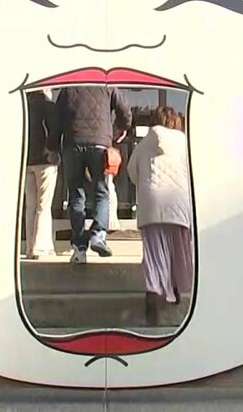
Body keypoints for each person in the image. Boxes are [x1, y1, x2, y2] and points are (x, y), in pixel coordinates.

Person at [127, 106, 193, 326]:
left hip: (150, 202)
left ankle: (153, 295)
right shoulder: (184, 143)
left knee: (154, 253)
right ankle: (175, 288)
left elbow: (132, 172)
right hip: (177, 201)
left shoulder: (144, 143)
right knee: (178, 249)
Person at [51, 86, 131, 263]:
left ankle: (79, 249)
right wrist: (120, 129)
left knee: (75, 195)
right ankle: (98, 234)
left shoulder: (68, 88)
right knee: (101, 192)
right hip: (100, 143)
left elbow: (56, 120)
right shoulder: (107, 85)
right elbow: (125, 110)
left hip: (73, 143)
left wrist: (53, 147)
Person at [23, 89, 58, 259]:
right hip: (45, 160)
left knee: (30, 205)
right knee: (43, 205)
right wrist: (54, 151)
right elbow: (54, 131)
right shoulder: (48, 105)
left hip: (26, 160)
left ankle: (29, 247)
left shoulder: (23, 105)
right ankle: (41, 247)